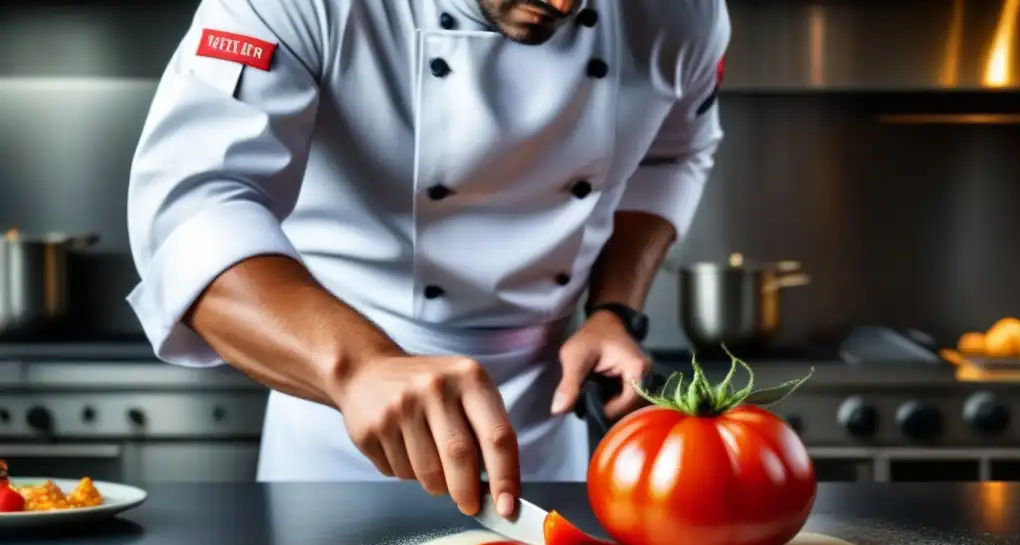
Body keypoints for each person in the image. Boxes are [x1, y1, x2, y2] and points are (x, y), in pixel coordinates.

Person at [126, 0, 730, 518]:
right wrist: (359, 368)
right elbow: (193, 208)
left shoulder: (684, 11)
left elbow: (671, 157)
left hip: (546, 424)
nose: (563, 4)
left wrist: (614, 312)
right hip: (338, 430)